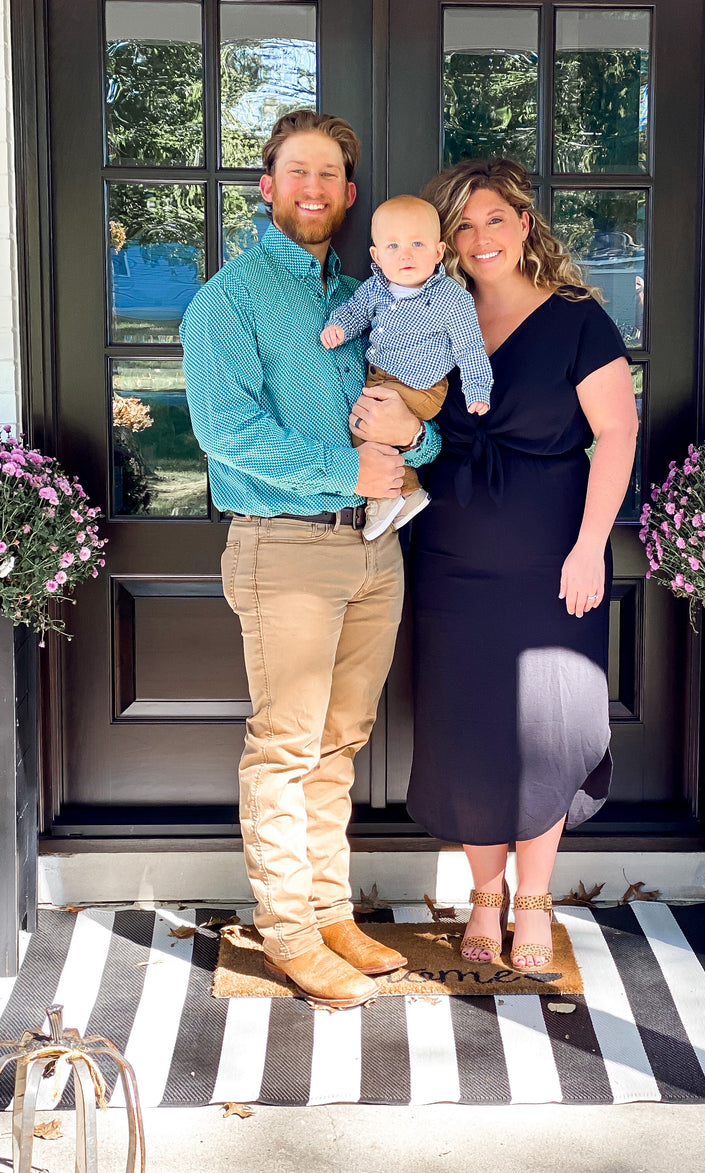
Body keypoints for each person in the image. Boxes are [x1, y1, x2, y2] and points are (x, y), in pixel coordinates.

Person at [180, 110, 439, 1009]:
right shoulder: (229, 300)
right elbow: (224, 432)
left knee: (341, 743)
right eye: (297, 172)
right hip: (285, 549)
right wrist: (347, 466)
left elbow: (412, 407)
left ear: (351, 192)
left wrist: (419, 436)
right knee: (286, 746)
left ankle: (330, 911)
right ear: (269, 186)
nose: (314, 189)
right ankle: (288, 931)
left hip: (375, 547)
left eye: (329, 174)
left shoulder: (369, 295)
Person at [407, 158, 639, 970]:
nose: (479, 238)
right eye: (463, 226)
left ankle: (535, 900)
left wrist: (589, 545)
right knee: (468, 723)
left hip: (551, 553)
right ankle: (484, 895)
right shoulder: (435, 314)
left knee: (546, 723)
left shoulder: (578, 318)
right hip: (450, 554)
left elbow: (617, 432)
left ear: (525, 224)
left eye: (494, 219)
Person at [321, 194, 492, 540]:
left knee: (366, 427)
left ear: (439, 252)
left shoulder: (450, 297)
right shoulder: (376, 288)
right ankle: (408, 492)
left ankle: (384, 498)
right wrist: (339, 327)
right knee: (372, 425)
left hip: (422, 386)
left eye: (417, 243)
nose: (406, 254)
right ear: (377, 255)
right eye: (394, 245)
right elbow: (354, 313)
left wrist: (477, 389)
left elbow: (470, 346)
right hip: (380, 376)